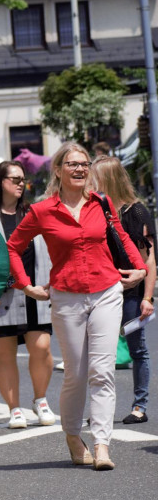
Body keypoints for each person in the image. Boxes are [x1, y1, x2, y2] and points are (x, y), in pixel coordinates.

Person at [7, 142, 146, 470]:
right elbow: (13, 247)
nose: (81, 169)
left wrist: (138, 267)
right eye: (73, 164)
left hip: (106, 291)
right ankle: (72, 435)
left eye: (84, 164)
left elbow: (122, 237)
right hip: (66, 296)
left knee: (103, 371)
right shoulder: (43, 211)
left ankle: (101, 445)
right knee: (77, 374)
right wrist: (24, 284)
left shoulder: (102, 202)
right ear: (58, 170)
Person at [0, 162, 55, 429]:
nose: (22, 184)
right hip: (2, 296)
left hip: (37, 291)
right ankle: (14, 409)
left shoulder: (34, 213)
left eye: (24, 179)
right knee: (5, 353)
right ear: (0, 181)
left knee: (42, 347)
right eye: (15, 179)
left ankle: (40, 399)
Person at [91, 156, 155, 425]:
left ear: (108, 178)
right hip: (100, 287)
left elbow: (149, 257)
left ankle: (139, 405)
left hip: (130, 289)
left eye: (95, 176)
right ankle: (101, 409)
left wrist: (148, 297)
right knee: (98, 352)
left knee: (136, 348)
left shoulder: (136, 211)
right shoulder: (95, 210)